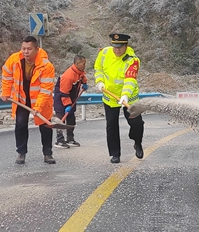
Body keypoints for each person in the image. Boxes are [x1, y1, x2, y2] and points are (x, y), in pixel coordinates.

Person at [1, 36, 56, 165]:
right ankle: (21, 152)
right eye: (23, 48)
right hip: (21, 98)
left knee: (45, 125)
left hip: (40, 101)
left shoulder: (46, 66)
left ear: (37, 49)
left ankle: (48, 154)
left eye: (29, 49)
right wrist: (5, 92)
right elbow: (6, 75)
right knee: (20, 124)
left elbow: (46, 89)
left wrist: (38, 107)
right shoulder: (14, 59)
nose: (25, 52)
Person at [94, 33, 144, 164]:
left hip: (129, 98)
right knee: (111, 125)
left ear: (126, 46)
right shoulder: (104, 53)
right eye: (114, 47)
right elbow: (98, 68)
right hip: (110, 96)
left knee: (137, 123)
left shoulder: (132, 60)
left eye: (120, 47)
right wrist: (99, 81)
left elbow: (130, 80)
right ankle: (115, 154)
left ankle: (137, 142)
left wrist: (125, 96)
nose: (117, 50)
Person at [54, 55, 88, 148]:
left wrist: (84, 83)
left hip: (71, 97)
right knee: (61, 119)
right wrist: (68, 105)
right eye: (83, 63)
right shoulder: (68, 76)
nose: (85, 65)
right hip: (61, 98)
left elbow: (82, 77)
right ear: (77, 64)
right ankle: (60, 140)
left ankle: (70, 139)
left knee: (71, 119)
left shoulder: (79, 72)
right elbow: (64, 92)